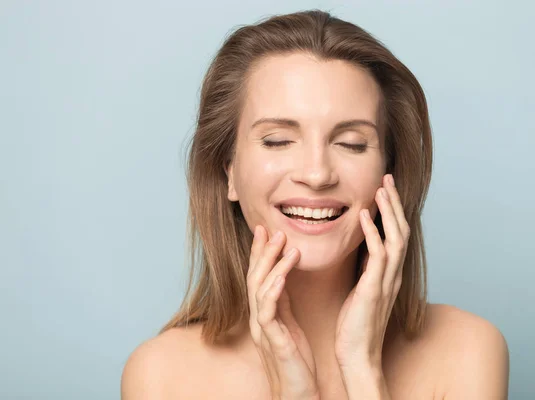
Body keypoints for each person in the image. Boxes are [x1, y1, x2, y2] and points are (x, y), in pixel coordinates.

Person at [121, 9, 509, 400]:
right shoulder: (161, 376)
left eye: (351, 143)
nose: (317, 173)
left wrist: (362, 370)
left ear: (387, 173)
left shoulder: (467, 351)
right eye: (277, 140)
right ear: (229, 173)